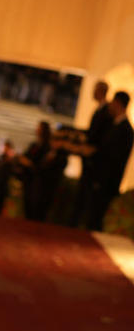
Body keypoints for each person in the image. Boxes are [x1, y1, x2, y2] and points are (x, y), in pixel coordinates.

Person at [85, 91, 134, 231]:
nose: (110, 105)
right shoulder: (113, 125)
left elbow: (114, 158)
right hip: (100, 179)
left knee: (97, 220)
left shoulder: (126, 130)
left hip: (107, 182)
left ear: (118, 103)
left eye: (112, 102)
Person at [69, 80, 112, 226]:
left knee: (87, 197)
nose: (92, 92)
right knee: (81, 196)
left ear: (101, 91)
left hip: (94, 162)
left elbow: (97, 137)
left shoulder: (106, 112)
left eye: (95, 89)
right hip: (88, 160)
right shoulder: (99, 109)